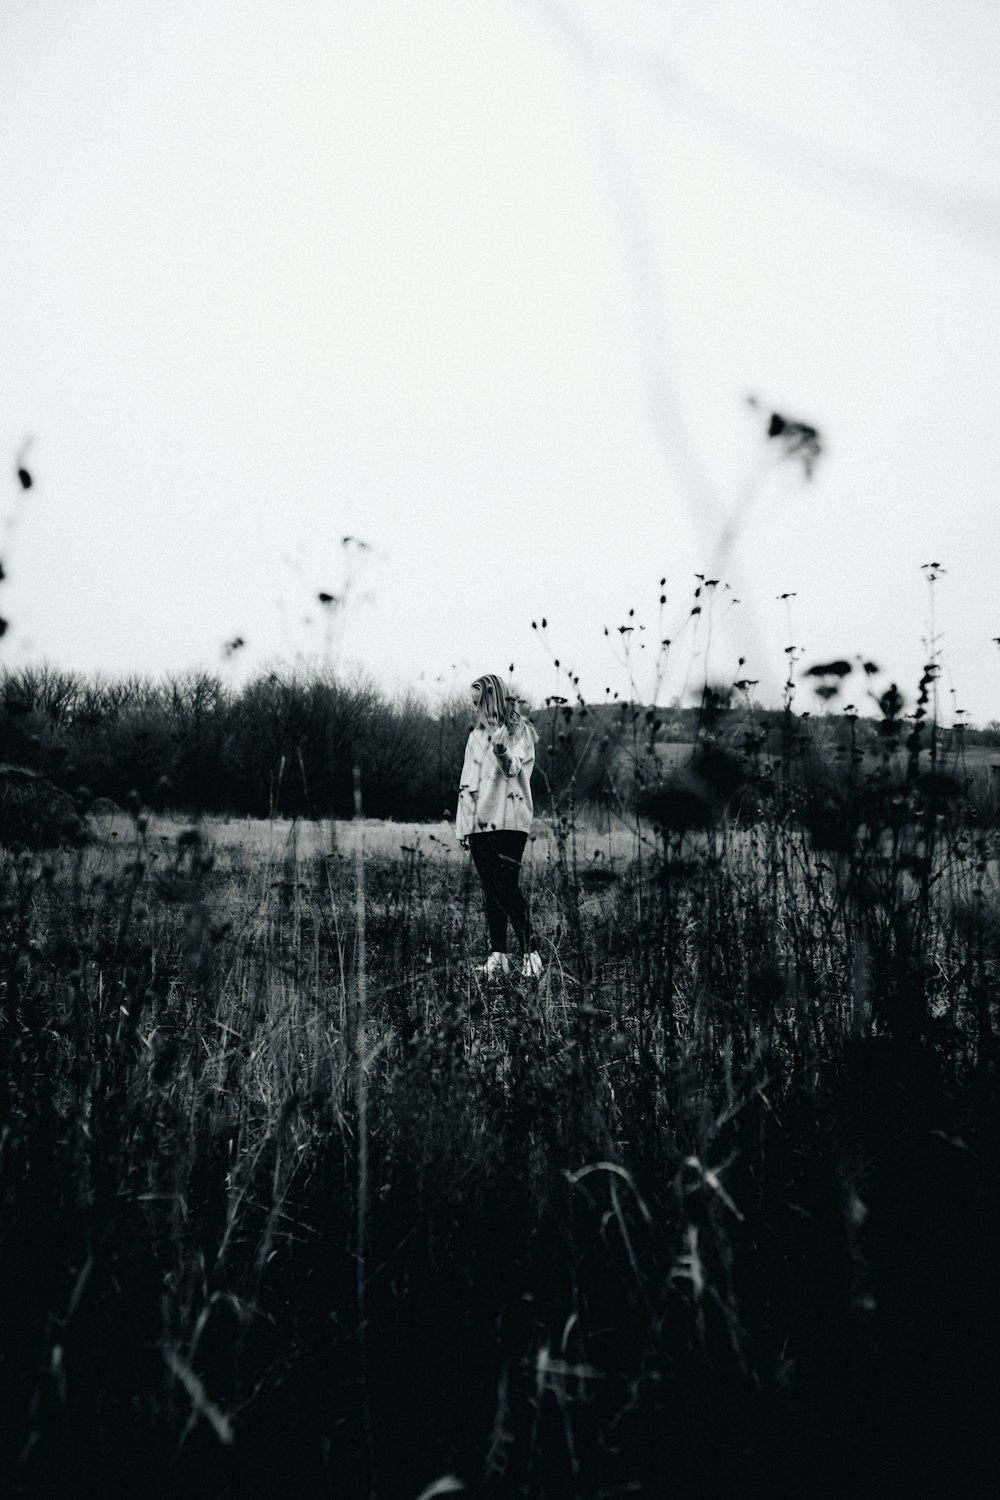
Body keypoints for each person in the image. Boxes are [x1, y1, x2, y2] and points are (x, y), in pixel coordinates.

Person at [456, 673, 544, 979]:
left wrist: (500, 748)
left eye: (478, 701)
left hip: (511, 821)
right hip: (479, 824)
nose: (476, 708)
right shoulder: (474, 737)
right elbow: (466, 783)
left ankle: (531, 954)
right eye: (472, 703)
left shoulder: (520, 731)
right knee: (491, 889)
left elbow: (513, 769)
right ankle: (498, 956)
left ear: (492, 699)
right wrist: (462, 826)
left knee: (506, 886)